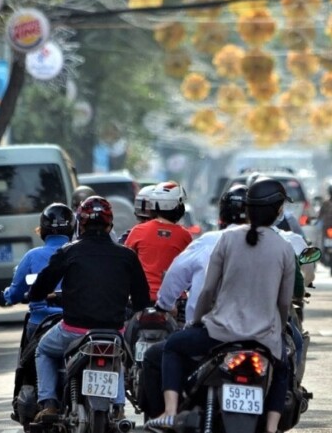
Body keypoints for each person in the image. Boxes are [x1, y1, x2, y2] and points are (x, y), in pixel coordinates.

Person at [145, 177, 296, 433]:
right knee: (283, 368)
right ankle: (271, 428)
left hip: (218, 334)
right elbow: (284, 302)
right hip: (264, 339)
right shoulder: (284, 248)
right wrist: (277, 330)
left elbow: (208, 291)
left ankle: (170, 411)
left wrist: (197, 321)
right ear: (279, 211)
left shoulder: (226, 239)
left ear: (247, 210)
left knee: (172, 346)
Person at [30, 196, 150, 422]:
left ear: (80, 224)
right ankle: (119, 407)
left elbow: (42, 285)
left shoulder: (69, 251)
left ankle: (50, 404)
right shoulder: (127, 255)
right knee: (117, 354)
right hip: (114, 333)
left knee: (43, 350)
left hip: (72, 331)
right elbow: (142, 301)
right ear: (110, 226)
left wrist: (35, 294)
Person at [140, 184, 250, 418]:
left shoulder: (210, 242)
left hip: (211, 333)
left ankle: (168, 413)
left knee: (164, 351)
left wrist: (164, 304)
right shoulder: (272, 243)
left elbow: (175, 276)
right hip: (258, 334)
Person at [2, 203, 75, 340]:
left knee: (37, 355)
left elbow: (15, 292)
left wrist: (8, 295)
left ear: (42, 230)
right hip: (76, 321)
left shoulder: (32, 256)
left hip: (41, 321)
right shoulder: (79, 253)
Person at [124, 181, 193, 302]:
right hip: (174, 300)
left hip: (142, 299)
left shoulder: (137, 231)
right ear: (177, 207)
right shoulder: (184, 235)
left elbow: (124, 263)